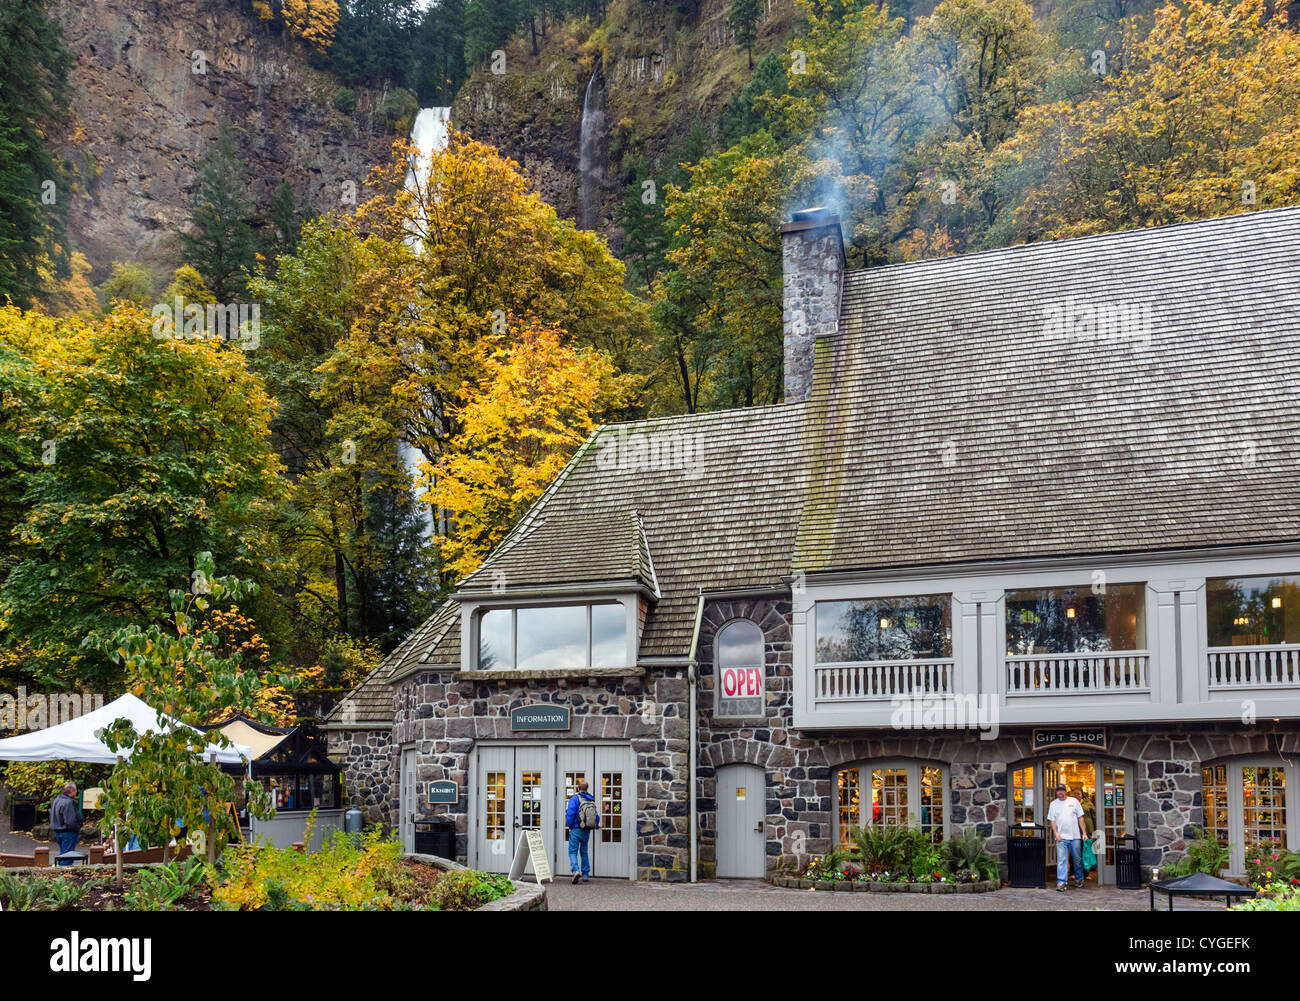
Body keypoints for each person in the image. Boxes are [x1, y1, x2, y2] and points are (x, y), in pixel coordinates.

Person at [1047, 784, 1087, 891]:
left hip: (1075, 837)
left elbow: (1080, 818)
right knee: (1062, 860)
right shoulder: (1053, 804)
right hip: (1061, 837)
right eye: (1058, 791)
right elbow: (1052, 820)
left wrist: (1084, 833)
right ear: (1056, 792)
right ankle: (1061, 882)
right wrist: (1056, 833)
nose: (1060, 792)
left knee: (1077, 859)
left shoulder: (1074, 801)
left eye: (1062, 790)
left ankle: (1079, 879)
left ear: (1066, 791)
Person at [565, 779, 599, 884]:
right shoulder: (590, 799)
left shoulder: (575, 799)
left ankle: (575, 871)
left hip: (576, 828)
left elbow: (570, 813)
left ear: (578, 788)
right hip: (587, 829)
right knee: (584, 851)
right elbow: (596, 815)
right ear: (586, 788)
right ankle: (585, 874)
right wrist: (595, 824)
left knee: (572, 851)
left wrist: (570, 825)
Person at [50, 782, 83, 863]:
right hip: (68, 833)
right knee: (67, 858)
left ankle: (60, 873)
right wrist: (77, 828)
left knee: (62, 855)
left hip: (58, 831)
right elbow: (70, 821)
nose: (76, 792)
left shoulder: (56, 800)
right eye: (75, 790)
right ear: (72, 791)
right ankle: (64, 874)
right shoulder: (68, 802)